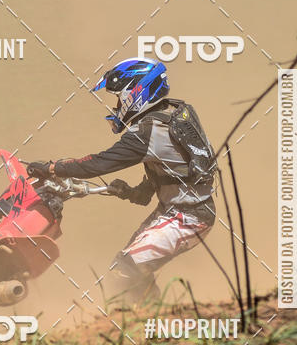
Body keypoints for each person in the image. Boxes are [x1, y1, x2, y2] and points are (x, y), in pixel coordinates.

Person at [28, 59, 216, 302]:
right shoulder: (172, 115)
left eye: (119, 98)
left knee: (124, 271)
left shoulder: (146, 132)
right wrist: (133, 192)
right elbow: (171, 168)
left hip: (188, 217)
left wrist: (53, 168)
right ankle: (155, 320)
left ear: (135, 92)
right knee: (133, 268)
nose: (117, 106)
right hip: (178, 210)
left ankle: (150, 325)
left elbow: (98, 163)